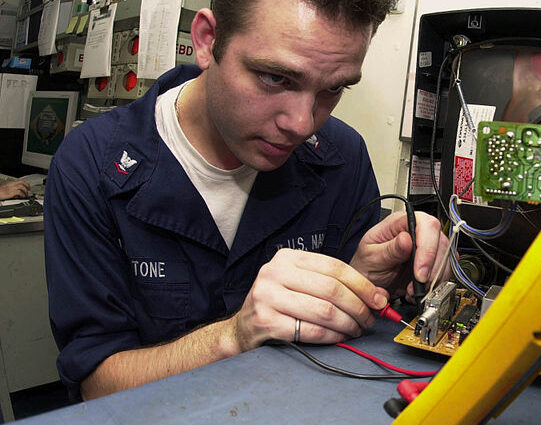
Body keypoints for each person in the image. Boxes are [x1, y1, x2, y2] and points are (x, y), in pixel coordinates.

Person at [44, 0, 450, 401]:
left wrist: (364, 281)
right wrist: (233, 335)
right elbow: (97, 385)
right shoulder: (90, 165)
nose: (302, 124)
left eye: (333, 88)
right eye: (275, 78)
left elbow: (349, 341)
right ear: (208, 40)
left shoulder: (343, 157)